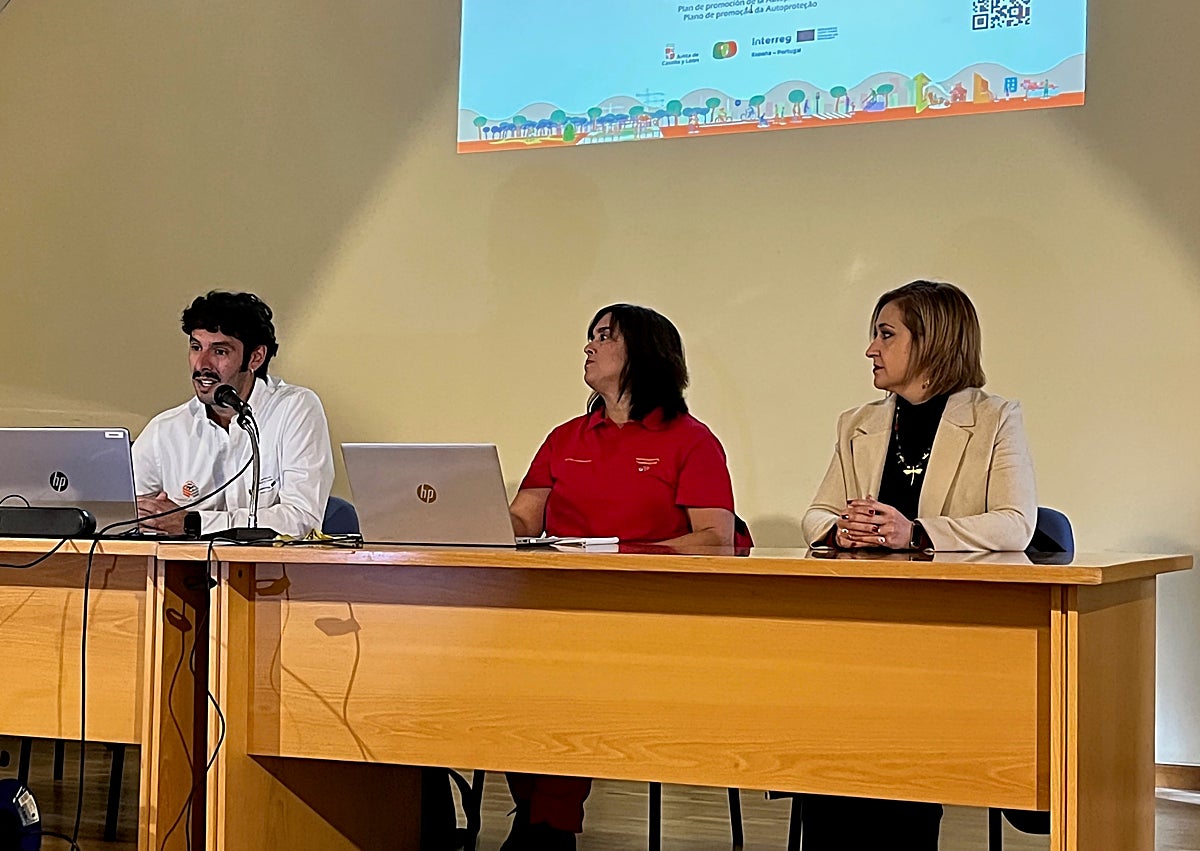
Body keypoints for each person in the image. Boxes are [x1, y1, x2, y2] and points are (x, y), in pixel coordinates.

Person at [799, 279, 1037, 847]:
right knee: (819, 709)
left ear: (930, 342)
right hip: (861, 623)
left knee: (895, 728)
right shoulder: (856, 422)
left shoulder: (996, 417)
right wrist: (842, 529)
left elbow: (1017, 522)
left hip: (946, 627)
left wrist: (918, 532)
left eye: (886, 334)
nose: (870, 349)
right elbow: (815, 513)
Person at [503, 303, 738, 850]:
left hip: (644, 616)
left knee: (556, 670)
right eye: (590, 336)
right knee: (496, 659)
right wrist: (474, 518)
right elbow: (523, 516)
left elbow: (715, 540)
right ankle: (535, 815)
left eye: (604, 336)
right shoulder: (566, 437)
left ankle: (546, 826)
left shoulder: (691, 440)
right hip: (555, 608)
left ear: (643, 351)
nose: (589, 346)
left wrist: (624, 555)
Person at [133, 291, 334, 537]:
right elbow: (120, 514)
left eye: (220, 352)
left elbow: (302, 520)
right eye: (196, 347)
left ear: (255, 358)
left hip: (273, 573)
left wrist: (193, 524)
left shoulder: (295, 409)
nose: (202, 365)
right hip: (182, 571)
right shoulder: (166, 428)